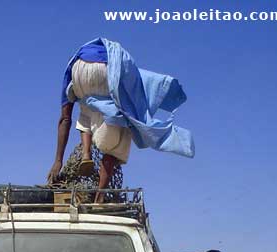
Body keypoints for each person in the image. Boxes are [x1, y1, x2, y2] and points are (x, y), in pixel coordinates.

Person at [47, 37, 194, 203]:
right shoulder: (117, 62)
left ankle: (86, 154)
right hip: (106, 67)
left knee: (86, 107)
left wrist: (57, 161)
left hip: (79, 71)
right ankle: (99, 198)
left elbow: (65, 119)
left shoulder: (71, 66)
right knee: (119, 132)